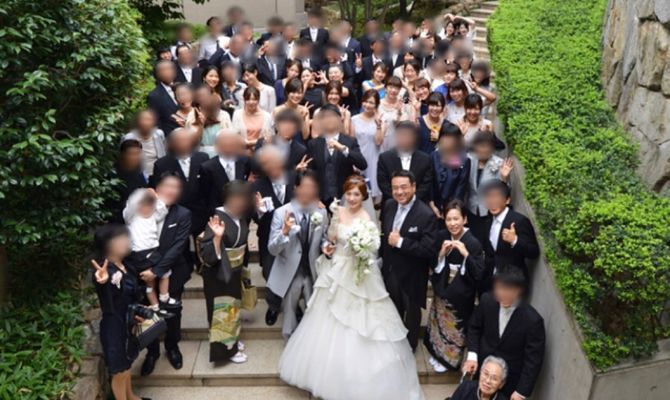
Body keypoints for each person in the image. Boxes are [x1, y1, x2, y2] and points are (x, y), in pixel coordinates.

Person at [280, 175, 425, 400]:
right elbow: (331, 238)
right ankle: (326, 372)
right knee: (327, 316)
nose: (352, 198)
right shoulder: (337, 211)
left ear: (363, 196)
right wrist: (327, 247)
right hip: (336, 270)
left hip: (358, 274)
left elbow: (373, 249)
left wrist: (362, 251)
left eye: (356, 194)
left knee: (360, 323)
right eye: (348, 193)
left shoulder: (367, 218)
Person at [463, 265, 545, 399]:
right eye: (500, 288)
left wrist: (521, 391)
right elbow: (474, 327)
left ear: (518, 290)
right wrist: (472, 356)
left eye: (508, 290)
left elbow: (533, 360)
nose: (503, 294)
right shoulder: (487, 300)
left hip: (510, 380)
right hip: (484, 370)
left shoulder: (532, 320)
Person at [424, 199, 485, 373]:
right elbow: (433, 262)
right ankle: (436, 353)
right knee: (438, 323)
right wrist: (441, 254)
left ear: (465, 219)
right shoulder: (442, 236)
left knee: (455, 329)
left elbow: (479, 272)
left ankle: (449, 361)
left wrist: (466, 254)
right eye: (449, 219)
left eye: (456, 219)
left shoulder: (473, 243)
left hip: (461, 294)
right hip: (442, 288)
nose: (452, 223)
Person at [140, 173, 192, 376]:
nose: (172, 191)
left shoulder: (183, 214)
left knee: (173, 311)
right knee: (148, 313)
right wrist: (146, 270)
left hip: (173, 271)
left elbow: (178, 246)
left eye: (176, 187)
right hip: (143, 272)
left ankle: (172, 346)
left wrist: (157, 271)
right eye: (168, 186)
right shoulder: (142, 209)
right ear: (157, 188)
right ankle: (151, 352)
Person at [381, 170, 438, 351]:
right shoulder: (389, 205)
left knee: (412, 314)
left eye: (404, 187)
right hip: (391, 271)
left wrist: (401, 242)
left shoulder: (426, 214)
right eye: (395, 188)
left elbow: (428, 249)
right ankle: (395, 345)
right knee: (393, 310)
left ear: (413, 187)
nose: (399, 192)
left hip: (413, 275)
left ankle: (410, 347)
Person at [267, 170, 327, 338]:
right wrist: (285, 232)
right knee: (289, 311)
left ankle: (310, 340)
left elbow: (323, 238)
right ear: (296, 188)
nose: (308, 191)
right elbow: (272, 249)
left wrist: (326, 246)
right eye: (305, 187)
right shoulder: (281, 213)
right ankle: (290, 339)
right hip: (290, 271)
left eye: (312, 187)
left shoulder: (321, 212)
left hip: (312, 269)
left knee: (313, 309)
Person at [199, 180, 253, 363]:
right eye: (237, 200)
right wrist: (216, 238)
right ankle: (226, 352)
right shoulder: (217, 218)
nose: (240, 204)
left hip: (233, 271)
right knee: (222, 310)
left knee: (232, 308)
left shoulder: (239, 216)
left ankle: (233, 340)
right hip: (218, 273)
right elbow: (207, 255)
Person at [91, 224, 146, 400]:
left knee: (127, 364)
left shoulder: (126, 264)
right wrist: (103, 280)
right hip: (114, 325)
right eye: (121, 239)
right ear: (109, 244)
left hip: (128, 322)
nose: (127, 241)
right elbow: (102, 282)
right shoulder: (104, 269)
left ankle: (131, 396)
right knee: (119, 371)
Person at [250, 145, 297, 326]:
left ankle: (294, 304)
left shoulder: (296, 179)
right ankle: (274, 305)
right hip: (268, 238)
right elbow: (253, 217)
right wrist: (259, 211)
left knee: (294, 271)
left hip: (294, 237)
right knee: (270, 272)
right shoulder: (256, 186)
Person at [123, 188, 180, 316]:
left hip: (151, 252)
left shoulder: (153, 217)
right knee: (165, 271)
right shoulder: (132, 218)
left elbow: (162, 209)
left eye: (150, 206)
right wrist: (142, 193)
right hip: (140, 253)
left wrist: (156, 196)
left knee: (150, 283)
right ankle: (164, 298)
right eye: (144, 206)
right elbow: (130, 206)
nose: (147, 209)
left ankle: (155, 307)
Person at [479, 180, 540, 290]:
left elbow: (534, 252)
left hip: (511, 283)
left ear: (507, 200)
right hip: (490, 280)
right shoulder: (488, 220)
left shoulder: (519, 221)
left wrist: (514, 240)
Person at [151, 128, 210, 235]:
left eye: (186, 140)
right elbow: (159, 192)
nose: (183, 143)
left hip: (200, 212)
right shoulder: (162, 164)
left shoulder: (202, 158)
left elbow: (208, 187)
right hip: (176, 214)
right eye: (179, 140)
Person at [306, 104, 367, 206]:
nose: (329, 120)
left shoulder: (349, 141)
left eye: (332, 116)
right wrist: (314, 197)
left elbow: (362, 164)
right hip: (321, 199)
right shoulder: (314, 144)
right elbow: (310, 173)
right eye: (325, 117)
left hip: (345, 197)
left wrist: (343, 149)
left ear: (339, 119)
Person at [466, 132, 513, 241]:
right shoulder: (469, 159)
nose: (483, 149)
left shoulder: (499, 163)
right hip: (471, 207)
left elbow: (505, 191)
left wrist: (504, 178)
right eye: (480, 145)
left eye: (486, 146)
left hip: (490, 210)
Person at [377, 121, 433, 206]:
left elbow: (425, 185)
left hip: (418, 205)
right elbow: (383, 184)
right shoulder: (385, 158)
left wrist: (411, 201)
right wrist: (399, 199)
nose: (404, 138)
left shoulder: (425, 159)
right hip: (392, 205)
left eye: (407, 135)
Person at [199, 131, 251, 217]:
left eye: (232, 145)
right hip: (218, 215)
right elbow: (205, 196)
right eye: (224, 145)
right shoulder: (207, 167)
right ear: (217, 147)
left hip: (242, 215)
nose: (228, 149)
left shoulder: (245, 162)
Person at [430, 123, 470, 218]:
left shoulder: (464, 160)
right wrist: (432, 205)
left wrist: (451, 210)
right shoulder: (433, 156)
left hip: (453, 210)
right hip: (433, 207)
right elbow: (430, 182)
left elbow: (461, 188)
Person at [352, 90, 385, 204]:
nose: (367, 105)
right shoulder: (354, 119)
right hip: (359, 157)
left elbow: (378, 142)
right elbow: (352, 141)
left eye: (371, 102)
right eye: (365, 101)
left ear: (376, 105)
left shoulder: (381, 120)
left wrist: (378, 126)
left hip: (374, 158)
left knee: (373, 192)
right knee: (356, 190)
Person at [110, 140, 149, 223]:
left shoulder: (138, 172)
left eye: (138, 153)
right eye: (131, 154)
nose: (135, 157)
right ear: (123, 155)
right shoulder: (114, 175)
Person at [123, 110, 167, 178]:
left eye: (149, 120)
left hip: (158, 175)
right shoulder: (129, 138)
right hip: (137, 176)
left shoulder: (159, 134)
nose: (146, 123)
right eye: (143, 119)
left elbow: (164, 153)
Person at [232, 86, 273, 151]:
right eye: (248, 99)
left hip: (261, 152)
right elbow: (234, 135)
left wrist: (250, 143)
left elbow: (269, 138)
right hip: (242, 151)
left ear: (258, 100)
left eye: (254, 99)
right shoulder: (237, 114)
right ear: (244, 100)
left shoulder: (267, 116)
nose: (251, 102)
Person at [378, 76, 413, 152]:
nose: (393, 90)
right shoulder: (378, 104)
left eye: (396, 88)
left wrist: (399, 111)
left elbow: (404, 124)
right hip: (379, 142)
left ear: (400, 90)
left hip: (396, 143)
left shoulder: (403, 104)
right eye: (390, 87)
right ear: (385, 88)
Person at [147, 60, 179, 137]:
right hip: (170, 137)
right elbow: (156, 122)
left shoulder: (184, 87)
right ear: (157, 74)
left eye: (170, 68)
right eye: (163, 70)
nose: (168, 72)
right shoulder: (154, 96)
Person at [199, 93, 233, 157]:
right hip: (202, 154)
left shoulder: (223, 115)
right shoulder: (199, 118)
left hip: (220, 152)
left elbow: (230, 135)